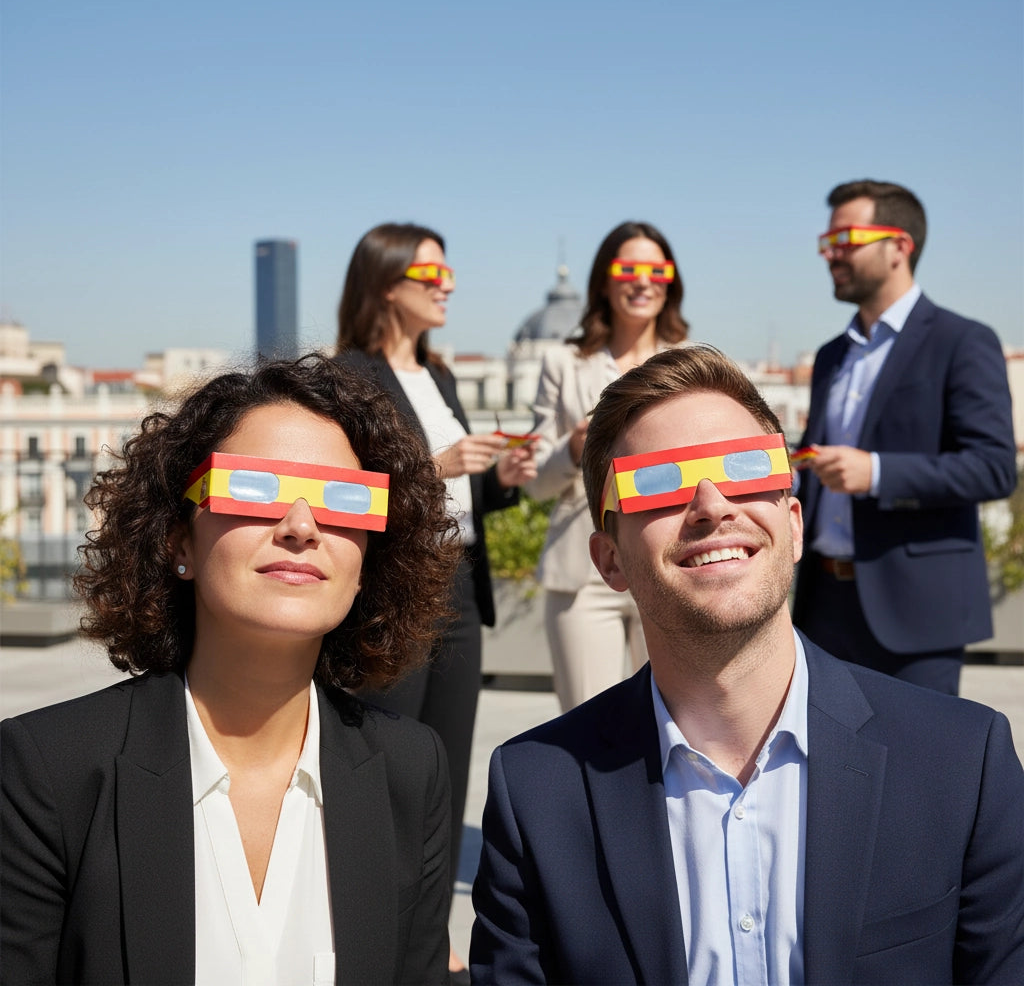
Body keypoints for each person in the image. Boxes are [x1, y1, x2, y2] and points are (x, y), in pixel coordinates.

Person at [470, 345, 1024, 985]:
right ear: (609, 559)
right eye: (658, 480)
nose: (712, 503)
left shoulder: (961, 763)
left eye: (747, 469)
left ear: (793, 523)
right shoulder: (538, 793)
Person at [1, 355, 461, 985]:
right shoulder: (47, 773)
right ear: (178, 540)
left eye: (346, 499)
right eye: (253, 487)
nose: (301, 525)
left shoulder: (411, 772)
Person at [334, 222, 536, 981]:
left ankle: (427, 939)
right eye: (430, 274)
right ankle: (369, 927)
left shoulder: (440, 376)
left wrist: (501, 476)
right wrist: (438, 462)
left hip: (458, 580)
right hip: (396, 584)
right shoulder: (349, 376)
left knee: (443, 772)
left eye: (449, 273)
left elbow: (461, 496)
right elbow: (348, 488)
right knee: (382, 763)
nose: (446, 285)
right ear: (386, 283)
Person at [792, 179, 1017, 696]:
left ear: (900, 245)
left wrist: (876, 472)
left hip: (918, 613)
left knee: (924, 772)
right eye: (828, 243)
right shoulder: (831, 355)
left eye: (847, 238)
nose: (833, 254)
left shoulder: (962, 341)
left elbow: (994, 467)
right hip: (822, 606)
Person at [526, 220, 688, 711]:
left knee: (678, 719)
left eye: (655, 269)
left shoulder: (690, 363)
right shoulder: (563, 364)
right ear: (604, 279)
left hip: (672, 561)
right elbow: (533, 484)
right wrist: (575, 446)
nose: (642, 280)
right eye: (628, 268)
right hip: (581, 573)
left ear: (670, 279)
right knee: (588, 724)